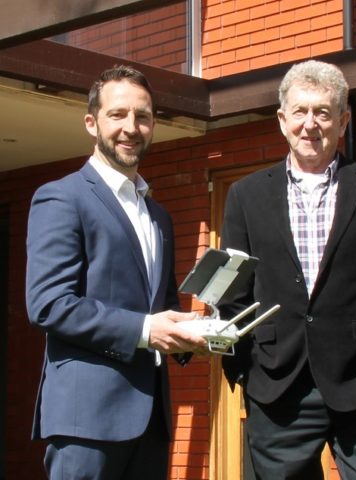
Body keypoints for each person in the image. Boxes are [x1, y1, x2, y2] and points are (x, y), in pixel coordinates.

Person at [219, 59, 356, 480]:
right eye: (300, 111)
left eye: (322, 112)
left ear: (343, 120)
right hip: (278, 388)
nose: (310, 124)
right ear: (282, 120)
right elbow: (232, 295)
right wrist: (244, 369)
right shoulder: (245, 196)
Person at [26, 65, 207, 480]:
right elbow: (49, 304)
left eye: (142, 116)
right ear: (92, 123)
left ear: (154, 125)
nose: (131, 127)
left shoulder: (159, 216)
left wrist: (197, 335)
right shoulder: (61, 198)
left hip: (151, 423)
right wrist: (145, 330)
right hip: (86, 422)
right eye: (118, 114)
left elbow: (160, 309)